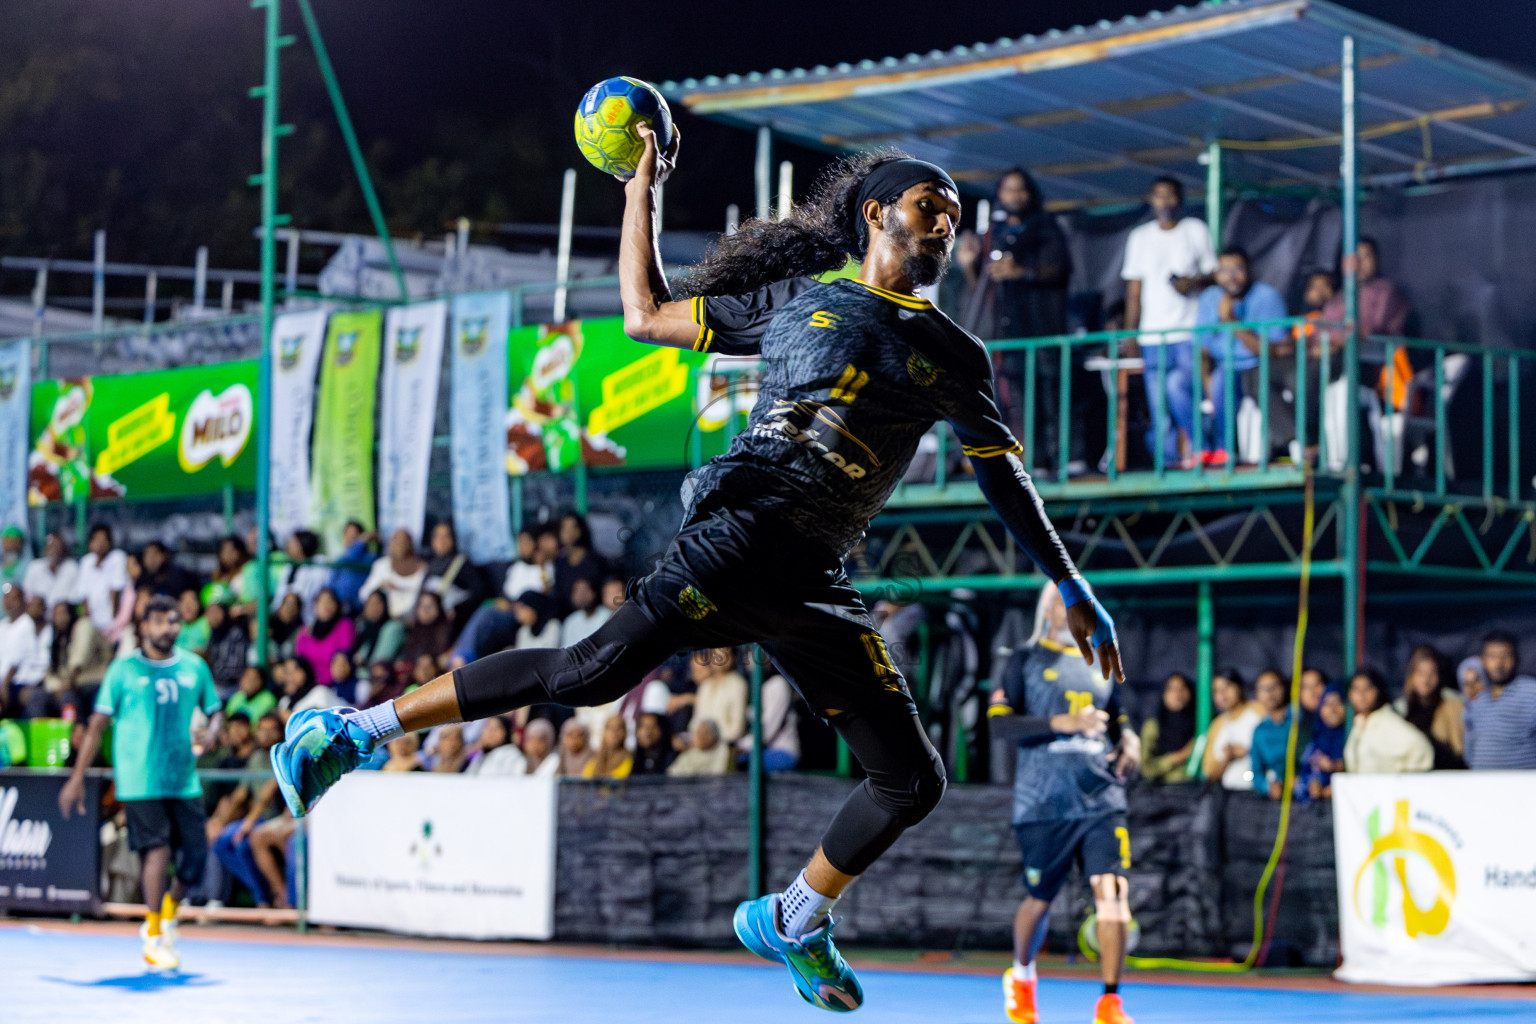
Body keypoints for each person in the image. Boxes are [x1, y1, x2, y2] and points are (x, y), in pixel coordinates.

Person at [272, 134, 1120, 1015]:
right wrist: (641, 188)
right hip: (741, 533)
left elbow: (1001, 472)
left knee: (912, 780)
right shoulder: (800, 298)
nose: (946, 224)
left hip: (812, 579)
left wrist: (1068, 581)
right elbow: (643, 314)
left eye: (955, 216)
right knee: (587, 676)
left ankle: (794, 918)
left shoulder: (953, 352)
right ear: (877, 213)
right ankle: (352, 734)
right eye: (928, 207)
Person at [989, 581, 1139, 1024]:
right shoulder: (1023, 660)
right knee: (1041, 898)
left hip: (1101, 797)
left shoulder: (1104, 658)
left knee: (1112, 892)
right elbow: (1001, 727)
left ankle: (1110, 1003)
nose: (1064, 606)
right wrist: (1064, 722)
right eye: (1056, 599)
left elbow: (1122, 720)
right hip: (1044, 803)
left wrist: (1129, 743)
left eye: (1072, 600)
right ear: (1045, 609)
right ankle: (1022, 975)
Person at [59, 594, 221, 970]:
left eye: (175, 621)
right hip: (140, 778)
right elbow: (97, 725)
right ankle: (152, 934)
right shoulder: (123, 670)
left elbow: (214, 713)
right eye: (163, 621)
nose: (171, 628)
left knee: (196, 857)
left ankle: (168, 913)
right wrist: (77, 777)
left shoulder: (195, 668)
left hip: (183, 778)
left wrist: (212, 733)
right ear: (144, 626)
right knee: (157, 850)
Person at [957, 168, 1073, 469]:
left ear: (1030, 193)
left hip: (1044, 328)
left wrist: (1022, 271)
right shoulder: (993, 235)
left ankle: (1065, 458)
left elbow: (1058, 268)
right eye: (1008, 190)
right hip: (1009, 334)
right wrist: (970, 265)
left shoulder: (1045, 227)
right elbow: (982, 289)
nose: (1014, 196)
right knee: (1022, 401)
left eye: (1019, 189)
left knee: (1053, 395)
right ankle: (1036, 460)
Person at [1121, 176, 1216, 465]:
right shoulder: (1139, 237)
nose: (1164, 201)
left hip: (1189, 332)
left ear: (1180, 200)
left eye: (1170, 195)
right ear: (1151, 200)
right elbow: (1133, 291)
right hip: (1153, 336)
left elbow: (1214, 274)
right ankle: (1168, 460)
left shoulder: (1195, 230)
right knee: (1158, 404)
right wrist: (1131, 334)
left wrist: (1193, 282)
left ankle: (1203, 449)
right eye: (1158, 195)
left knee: (1185, 393)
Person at [1193, 246, 1289, 465]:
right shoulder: (1210, 298)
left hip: (1258, 368)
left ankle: (1226, 450)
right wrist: (1206, 380)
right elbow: (1202, 350)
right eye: (1224, 270)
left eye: (1237, 269)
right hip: (1222, 366)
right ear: (1216, 274)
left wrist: (1231, 322)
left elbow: (1273, 351)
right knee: (1177, 383)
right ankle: (1204, 449)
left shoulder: (1267, 296)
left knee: (1225, 380)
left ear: (1248, 270)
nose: (1231, 277)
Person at [1463, 631, 1536, 770]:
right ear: (1483, 660)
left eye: (1505, 656)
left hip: (1523, 787)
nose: (1499, 663)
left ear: (1516, 659)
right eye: (1492, 656)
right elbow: (1470, 746)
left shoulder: (1531, 692)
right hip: (1482, 785)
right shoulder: (1478, 697)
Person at [1343, 668, 1432, 774]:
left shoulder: (1388, 721)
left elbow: (1420, 746)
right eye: (1356, 689)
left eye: (1367, 688)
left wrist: (1403, 779)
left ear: (1377, 691)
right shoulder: (1360, 723)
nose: (1361, 695)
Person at [1392, 646, 1465, 769]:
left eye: (1432, 673)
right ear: (1411, 675)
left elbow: (1458, 750)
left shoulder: (1451, 703)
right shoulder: (1400, 709)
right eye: (1421, 673)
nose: (1426, 679)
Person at [42, 601, 113, 717]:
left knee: (69, 697)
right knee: (37, 697)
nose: (60, 618)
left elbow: (79, 661)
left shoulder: (84, 625)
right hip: (70, 686)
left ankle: (74, 731)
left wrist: (64, 686)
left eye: (63, 613)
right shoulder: (58, 638)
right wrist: (55, 687)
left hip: (95, 681)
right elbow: (50, 673)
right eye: (56, 614)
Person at [419, 521, 490, 631]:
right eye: (437, 536)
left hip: (455, 625)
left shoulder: (462, 563)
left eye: (446, 536)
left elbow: (479, 592)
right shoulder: (431, 564)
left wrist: (456, 609)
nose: (441, 541)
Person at [1199, 669, 1263, 790]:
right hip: (1231, 796)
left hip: (1262, 791)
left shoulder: (1258, 710)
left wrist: (1249, 750)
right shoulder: (1216, 725)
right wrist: (1227, 757)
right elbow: (1209, 773)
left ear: (1240, 687)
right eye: (1216, 690)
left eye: (1227, 686)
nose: (1222, 694)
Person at [0, 594, 53, 717]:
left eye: (13, 598)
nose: (8, 602)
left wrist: (4, 686)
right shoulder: (3, 626)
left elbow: (15, 660)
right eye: (6, 598)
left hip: (24, 682)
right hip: (8, 682)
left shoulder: (26, 624)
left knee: (32, 697)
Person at [737, 669, 801, 772]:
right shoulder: (755, 685)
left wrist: (740, 746)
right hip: (759, 749)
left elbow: (766, 732)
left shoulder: (779, 684)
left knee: (740, 762)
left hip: (783, 751)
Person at [1139, 672, 1196, 783]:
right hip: (1164, 792)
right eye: (1171, 689)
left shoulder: (1200, 725)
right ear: (1163, 694)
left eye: (1182, 688)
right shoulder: (1153, 726)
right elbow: (1146, 769)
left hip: (1197, 789)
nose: (1177, 694)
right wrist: (1179, 756)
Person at [1248, 669, 1296, 799]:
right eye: (1263, 689)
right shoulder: (1260, 731)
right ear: (1257, 695)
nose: (1269, 693)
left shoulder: (1299, 719)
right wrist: (1268, 786)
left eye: (1274, 686)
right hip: (1280, 799)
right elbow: (1256, 772)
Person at [359, 529, 427, 621]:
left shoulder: (423, 568)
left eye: (404, 541)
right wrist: (380, 587)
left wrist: (399, 588)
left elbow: (424, 596)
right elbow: (363, 594)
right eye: (397, 541)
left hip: (412, 618)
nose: (400, 545)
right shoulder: (382, 565)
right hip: (383, 619)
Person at [294, 588, 355, 687]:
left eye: (330, 601)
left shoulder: (344, 625)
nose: (326, 605)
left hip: (334, 686)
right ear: (315, 606)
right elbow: (299, 660)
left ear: (337, 605)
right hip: (307, 685)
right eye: (322, 601)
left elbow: (342, 660)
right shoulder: (305, 630)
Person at [1295, 685, 1346, 801]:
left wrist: (1334, 767)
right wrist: (1312, 783)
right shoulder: (1313, 736)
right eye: (1327, 704)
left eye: (1338, 703)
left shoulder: (1350, 734)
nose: (1333, 709)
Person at [553, 513, 608, 617]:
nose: (568, 532)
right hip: (567, 619)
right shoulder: (558, 563)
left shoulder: (596, 561)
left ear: (581, 530)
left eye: (572, 527)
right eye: (564, 528)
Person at [201, 589, 250, 698]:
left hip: (232, 688)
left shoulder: (235, 634)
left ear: (225, 612)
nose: (212, 616)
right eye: (209, 612)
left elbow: (235, 670)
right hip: (215, 686)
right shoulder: (212, 633)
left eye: (216, 611)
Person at [351, 590, 406, 676]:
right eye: (370, 603)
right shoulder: (362, 626)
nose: (374, 607)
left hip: (381, 679)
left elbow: (381, 661)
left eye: (378, 603)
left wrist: (361, 663)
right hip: (357, 679)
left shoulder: (393, 627)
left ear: (385, 605)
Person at [22, 532, 78, 611]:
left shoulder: (71, 566)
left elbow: (75, 596)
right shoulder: (34, 566)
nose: (53, 550)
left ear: (63, 548)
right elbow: (27, 595)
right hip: (39, 615)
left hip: (63, 616)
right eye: (50, 546)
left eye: (56, 546)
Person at [327, 520, 374, 613]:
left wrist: (360, 543)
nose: (351, 538)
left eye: (355, 535)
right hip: (339, 608)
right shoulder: (340, 559)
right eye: (348, 534)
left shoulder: (370, 557)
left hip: (361, 609)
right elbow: (330, 583)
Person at [668, 718, 732, 776]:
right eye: (698, 733)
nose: (701, 737)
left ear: (714, 736)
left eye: (705, 733)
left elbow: (718, 774)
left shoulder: (722, 751)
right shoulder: (691, 752)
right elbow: (673, 772)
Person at [560, 577, 612, 647]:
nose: (582, 596)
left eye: (585, 591)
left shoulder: (608, 616)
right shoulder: (570, 621)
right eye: (578, 591)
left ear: (594, 592)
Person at [583, 714, 634, 779]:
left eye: (619, 728)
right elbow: (585, 780)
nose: (614, 732)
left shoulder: (631, 760)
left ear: (625, 732)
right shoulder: (594, 759)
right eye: (610, 728)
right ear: (604, 732)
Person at [632, 711, 674, 775]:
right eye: (643, 726)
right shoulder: (630, 759)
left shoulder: (672, 758)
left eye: (653, 726)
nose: (648, 732)